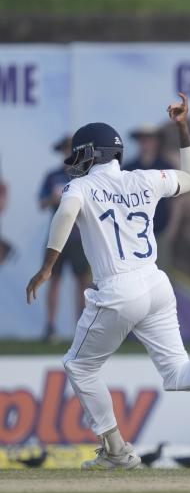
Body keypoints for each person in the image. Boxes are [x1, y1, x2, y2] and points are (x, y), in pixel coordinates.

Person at [25, 94, 190, 470]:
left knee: (80, 367)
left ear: (93, 154)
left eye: (80, 156)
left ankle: (116, 451)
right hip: (155, 284)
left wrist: (48, 265)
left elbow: (66, 211)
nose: (76, 164)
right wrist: (182, 127)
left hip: (117, 289)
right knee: (177, 372)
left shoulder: (80, 188)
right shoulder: (146, 178)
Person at [38, 135, 92, 342]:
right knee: (52, 279)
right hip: (56, 238)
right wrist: (52, 199)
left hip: (80, 238)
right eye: (65, 149)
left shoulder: (85, 177)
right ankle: (50, 327)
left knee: (83, 283)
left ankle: (83, 327)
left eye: (72, 149)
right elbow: (41, 203)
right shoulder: (52, 176)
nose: (68, 152)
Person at [123, 125, 175, 236]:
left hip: (161, 229)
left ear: (157, 142)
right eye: (142, 139)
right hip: (133, 230)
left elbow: (175, 202)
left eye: (150, 139)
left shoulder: (167, 167)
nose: (145, 142)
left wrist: (172, 228)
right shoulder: (128, 169)